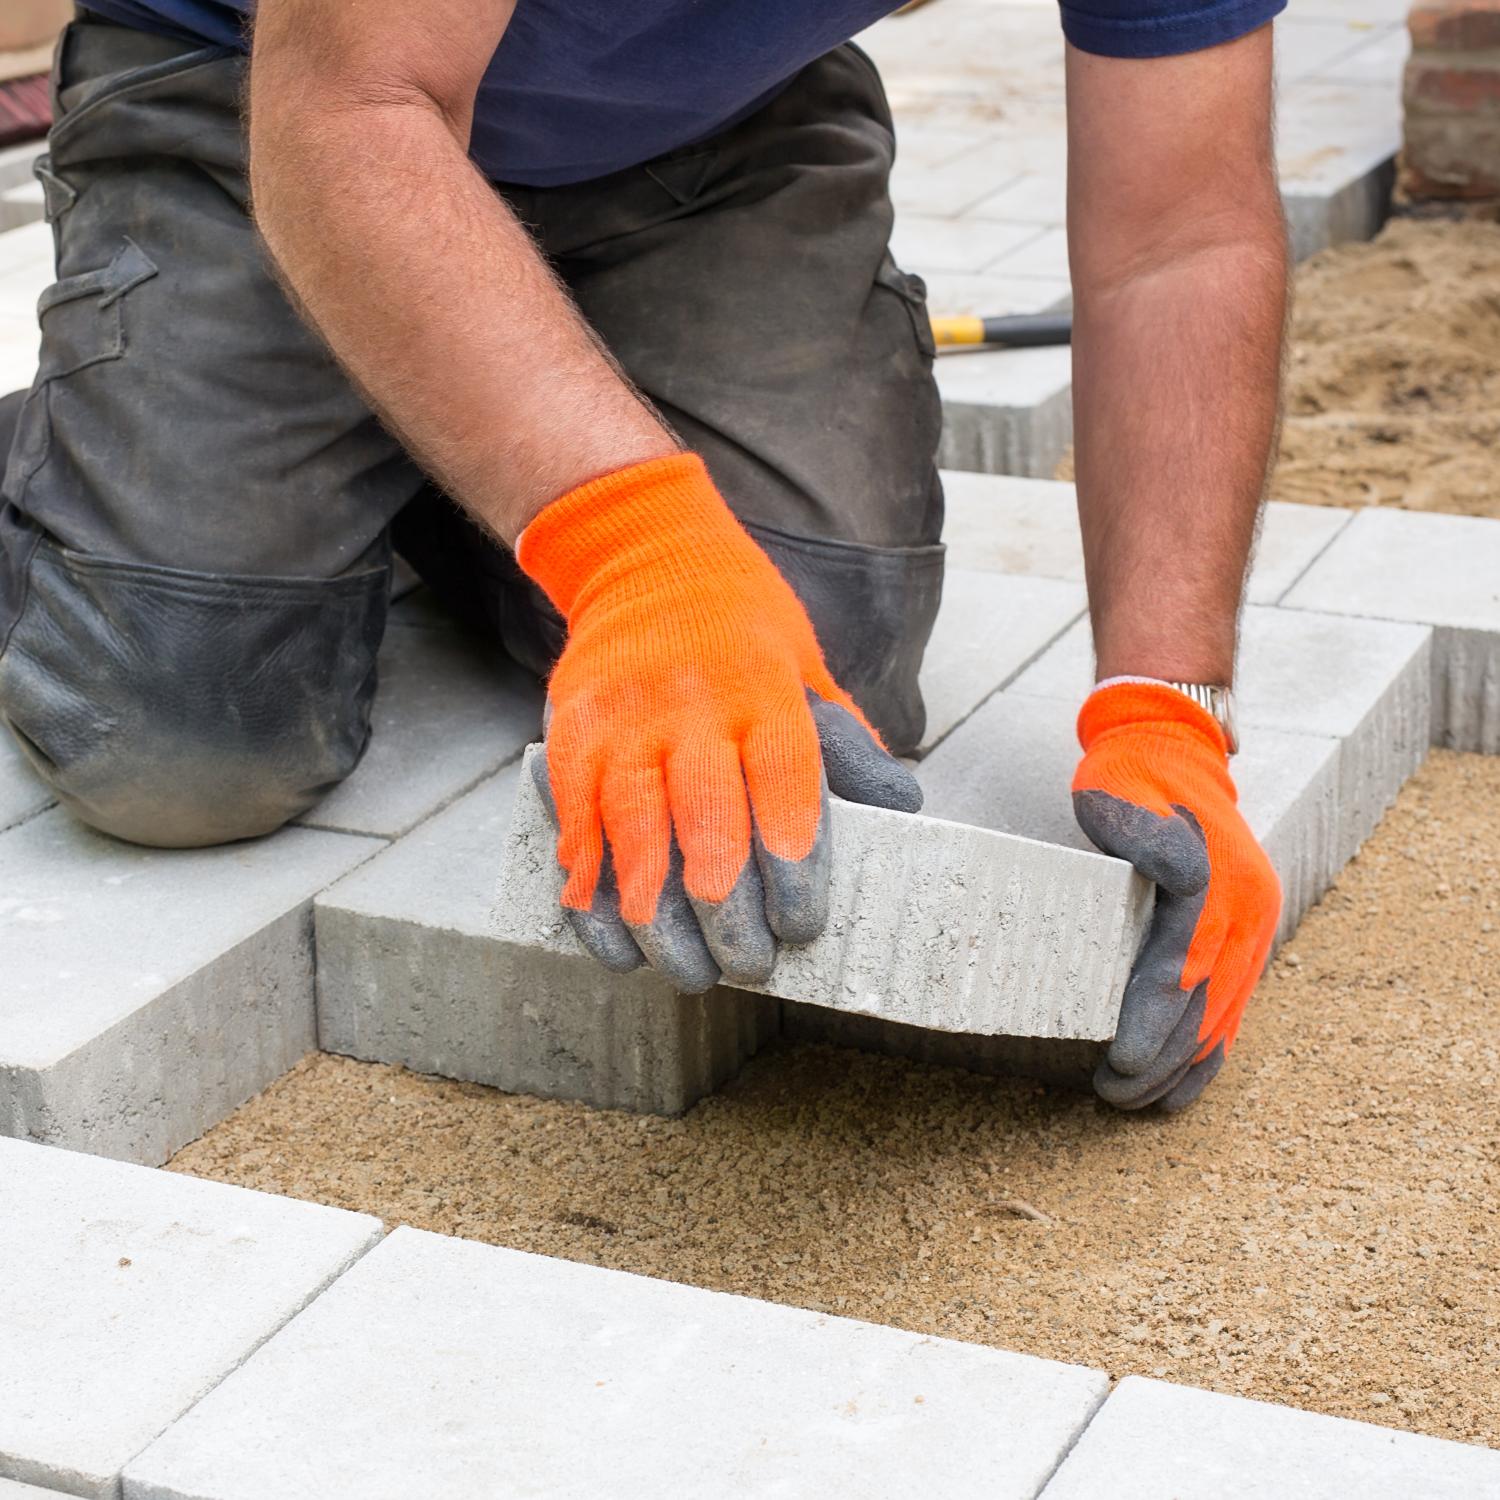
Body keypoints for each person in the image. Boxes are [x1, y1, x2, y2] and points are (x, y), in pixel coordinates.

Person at [0, 0, 1286, 1110]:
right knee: (176, 744)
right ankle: (115, 453)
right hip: (263, 94)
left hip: (708, 133)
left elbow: (1183, 238)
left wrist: (1171, 705)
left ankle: (440, 445)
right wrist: (641, 558)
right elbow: (356, 103)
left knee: (813, 683)